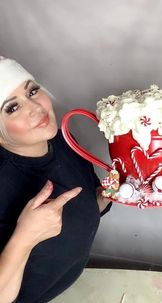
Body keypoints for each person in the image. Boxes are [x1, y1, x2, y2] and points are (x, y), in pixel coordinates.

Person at [0, 57, 111, 303]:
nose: (36, 108)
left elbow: (83, 208)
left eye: (32, 91)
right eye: (12, 107)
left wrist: (107, 195)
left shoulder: (66, 142)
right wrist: (25, 237)